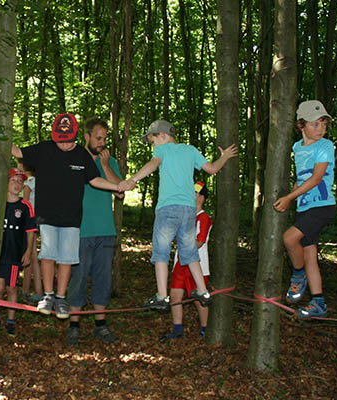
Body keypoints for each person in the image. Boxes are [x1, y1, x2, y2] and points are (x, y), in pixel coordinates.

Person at [11, 113, 127, 319]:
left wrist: (117, 186)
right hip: (47, 216)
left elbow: (95, 180)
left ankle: (61, 297)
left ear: (76, 137)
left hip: (72, 219)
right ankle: (48, 295)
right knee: (48, 255)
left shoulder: (81, 155)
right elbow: (18, 151)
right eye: (60, 140)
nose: (64, 145)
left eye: (68, 141)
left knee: (67, 259)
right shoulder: (45, 149)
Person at [120, 120, 237, 311]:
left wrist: (133, 180)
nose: (153, 146)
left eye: (152, 141)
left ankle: (162, 296)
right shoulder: (190, 150)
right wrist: (224, 157)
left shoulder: (162, 151)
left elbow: (153, 164)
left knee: (161, 252)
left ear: (163, 136)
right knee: (190, 252)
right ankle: (202, 291)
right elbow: (213, 169)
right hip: (189, 210)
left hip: (168, 208)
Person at [274, 100, 335, 319]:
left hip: (322, 206)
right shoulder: (297, 148)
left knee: (290, 239)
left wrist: (289, 197)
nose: (321, 129)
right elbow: (302, 177)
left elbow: (317, 177)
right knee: (310, 255)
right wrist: (294, 192)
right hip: (305, 207)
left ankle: (298, 276)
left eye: (323, 124)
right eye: (315, 124)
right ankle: (318, 301)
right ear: (302, 125)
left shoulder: (325, 146)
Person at [65, 117, 122, 345]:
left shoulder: (110, 161)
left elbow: (120, 192)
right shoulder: (74, 161)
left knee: (102, 278)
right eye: (98, 138)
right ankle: (74, 325)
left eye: (105, 138)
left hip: (105, 231)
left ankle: (100, 324)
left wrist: (106, 166)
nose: (102, 142)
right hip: (79, 230)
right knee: (78, 278)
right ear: (86, 137)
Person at [161, 182, 212, 342]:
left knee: (199, 299)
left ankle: (205, 329)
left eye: (195, 194)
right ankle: (177, 329)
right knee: (175, 296)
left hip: (198, 265)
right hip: (180, 263)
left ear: (202, 198)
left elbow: (199, 241)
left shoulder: (203, 218)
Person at [0, 168, 36, 336]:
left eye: (20, 181)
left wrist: (27, 252)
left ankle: (11, 320)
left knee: (11, 287)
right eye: (13, 180)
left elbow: (31, 231)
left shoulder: (25, 206)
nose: (17, 184)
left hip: (14, 253)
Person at [20, 162, 43, 305]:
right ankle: (25, 290)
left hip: (29, 222)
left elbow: (25, 203)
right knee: (30, 255)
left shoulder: (29, 182)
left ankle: (39, 292)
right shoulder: (38, 181)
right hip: (36, 220)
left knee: (32, 256)